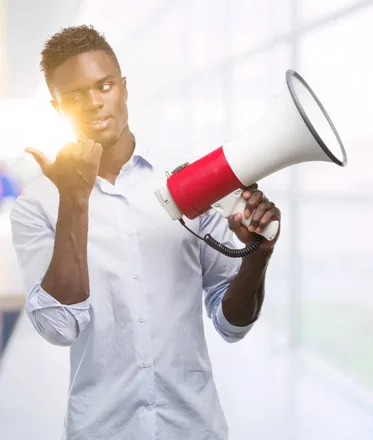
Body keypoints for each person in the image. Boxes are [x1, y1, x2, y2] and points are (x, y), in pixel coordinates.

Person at [10, 25, 280, 440]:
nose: (95, 103)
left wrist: (258, 252)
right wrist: (74, 201)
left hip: (194, 427)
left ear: (124, 88)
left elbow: (232, 324)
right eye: (75, 96)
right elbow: (59, 328)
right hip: (101, 429)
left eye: (104, 86)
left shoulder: (187, 180)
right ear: (57, 107)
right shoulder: (38, 204)